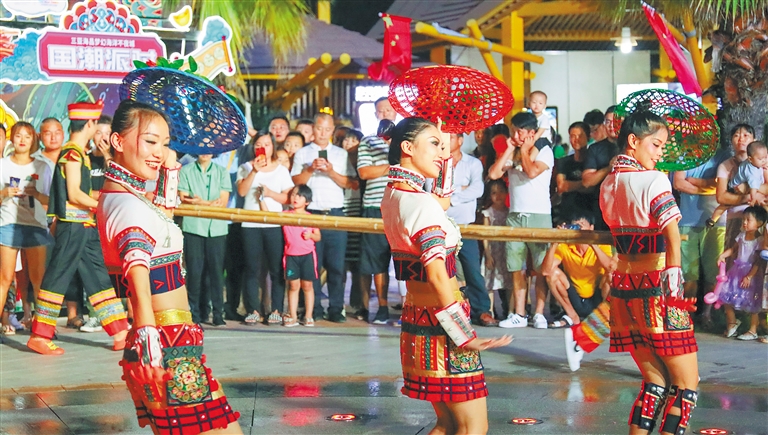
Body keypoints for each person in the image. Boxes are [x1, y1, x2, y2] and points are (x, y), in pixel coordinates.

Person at [98, 98, 241, 434]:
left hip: (169, 341)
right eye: (150, 141)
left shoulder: (122, 196)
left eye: (163, 143)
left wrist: (170, 168)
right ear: (117, 142)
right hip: (166, 345)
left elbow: (163, 216)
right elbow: (137, 275)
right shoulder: (126, 205)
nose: (159, 152)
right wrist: (150, 348)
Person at [380, 116, 512, 435]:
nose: (443, 152)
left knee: (447, 424)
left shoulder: (393, 194)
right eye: (435, 144)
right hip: (444, 326)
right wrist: (464, 334)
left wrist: (444, 163)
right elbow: (439, 277)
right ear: (407, 147)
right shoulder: (418, 204)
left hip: (418, 319)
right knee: (472, 428)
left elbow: (438, 204)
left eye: (445, 144)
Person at [601, 110, 698, 434]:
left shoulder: (608, 184)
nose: (659, 153)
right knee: (686, 386)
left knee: (654, 381)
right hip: (658, 286)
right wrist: (674, 276)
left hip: (624, 292)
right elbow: (671, 233)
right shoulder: (653, 180)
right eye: (656, 145)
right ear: (633, 141)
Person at [27, 101, 129, 355]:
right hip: (73, 225)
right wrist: (101, 205)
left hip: (84, 225)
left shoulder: (78, 152)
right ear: (91, 123)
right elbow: (74, 194)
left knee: (98, 277)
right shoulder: (71, 153)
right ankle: (40, 335)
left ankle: (120, 332)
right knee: (58, 277)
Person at [488, 112, 554, 329]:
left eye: (520, 131)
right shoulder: (513, 152)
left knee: (540, 268)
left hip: (539, 215)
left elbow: (532, 171)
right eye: (513, 130)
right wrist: (509, 148)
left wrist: (525, 151)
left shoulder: (544, 150)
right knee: (516, 267)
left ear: (531, 133)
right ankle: (519, 313)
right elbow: (495, 173)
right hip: (515, 216)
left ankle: (539, 313)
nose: (516, 134)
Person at [290, 113, 354, 323]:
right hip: (311, 214)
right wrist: (310, 169)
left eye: (327, 130)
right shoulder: (302, 153)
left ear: (333, 131)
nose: (323, 133)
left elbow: (349, 183)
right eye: (319, 129)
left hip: (335, 214)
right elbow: (295, 182)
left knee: (336, 266)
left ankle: (336, 308)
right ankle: (314, 307)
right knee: (313, 266)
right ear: (313, 128)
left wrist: (331, 171)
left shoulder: (340, 154)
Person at [671, 143, 732, 330]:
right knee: (688, 273)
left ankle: (708, 315)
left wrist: (695, 182)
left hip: (715, 222)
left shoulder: (723, 156)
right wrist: (707, 188)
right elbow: (678, 183)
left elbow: (721, 184)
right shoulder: (685, 155)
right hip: (687, 221)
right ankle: (687, 314)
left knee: (713, 272)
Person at [0, 122, 52, 336]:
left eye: (27, 136)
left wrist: (36, 194)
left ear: (33, 140)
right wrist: (4, 193)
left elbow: (51, 200)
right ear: (12, 139)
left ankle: (43, 328)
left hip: (35, 224)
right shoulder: (2, 165)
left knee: (38, 278)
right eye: (18, 135)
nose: (22, 139)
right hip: (8, 223)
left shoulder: (43, 166)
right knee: (4, 277)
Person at [236, 132, 293, 325]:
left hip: (274, 224)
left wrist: (269, 193)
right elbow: (242, 191)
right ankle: (253, 309)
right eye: (259, 144)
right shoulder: (245, 167)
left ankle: (276, 308)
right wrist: (253, 171)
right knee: (251, 268)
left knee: (276, 268)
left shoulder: (281, 170)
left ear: (273, 147)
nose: (263, 148)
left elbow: (287, 198)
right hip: (250, 224)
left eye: (267, 144)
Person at [443, 132, 497, 326]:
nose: (444, 141)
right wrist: (462, 189)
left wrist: (452, 196)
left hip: (466, 226)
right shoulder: (436, 162)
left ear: (459, 140)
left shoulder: (473, 163)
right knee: (443, 270)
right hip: (442, 224)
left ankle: (482, 309)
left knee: (472, 270)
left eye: (448, 137)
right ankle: (448, 310)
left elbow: (478, 189)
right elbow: (432, 188)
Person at [178, 153, 231, 325]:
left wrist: (199, 202)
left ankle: (217, 313)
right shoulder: (186, 170)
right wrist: (208, 203)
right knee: (194, 272)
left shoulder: (222, 171)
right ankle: (194, 313)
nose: (205, 152)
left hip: (217, 228)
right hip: (194, 227)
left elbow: (222, 202)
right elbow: (183, 198)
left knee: (216, 273)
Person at [356, 97, 396, 323]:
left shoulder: (406, 141)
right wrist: (392, 166)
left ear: (396, 113)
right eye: (380, 111)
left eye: (388, 110)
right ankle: (381, 307)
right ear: (375, 115)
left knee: (405, 260)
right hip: (374, 205)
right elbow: (364, 173)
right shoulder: (368, 141)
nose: (384, 114)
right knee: (375, 260)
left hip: (402, 206)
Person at [541, 211, 613, 328]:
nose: (578, 229)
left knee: (610, 276)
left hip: (597, 297)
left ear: (591, 228)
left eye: (581, 225)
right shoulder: (565, 246)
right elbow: (546, 271)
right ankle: (572, 315)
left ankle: (606, 315)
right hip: (574, 298)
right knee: (553, 275)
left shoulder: (602, 244)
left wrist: (591, 243)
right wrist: (555, 243)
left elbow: (610, 267)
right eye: (575, 226)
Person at [716, 206, 767, 340]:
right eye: (743, 219)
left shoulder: (760, 241)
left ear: (759, 223)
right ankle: (732, 322)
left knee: (751, 301)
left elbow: (758, 261)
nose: (744, 222)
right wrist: (723, 256)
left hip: (751, 274)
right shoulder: (741, 236)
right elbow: (733, 249)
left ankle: (753, 329)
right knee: (725, 294)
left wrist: (749, 276)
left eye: (748, 220)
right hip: (736, 271)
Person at [282, 185, 321, 327]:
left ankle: (308, 315)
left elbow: (318, 236)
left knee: (308, 285)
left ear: (307, 202)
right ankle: (292, 315)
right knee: (293, 286)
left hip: (308, 255)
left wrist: (310, 235)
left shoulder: (310, 218)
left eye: (299, 196)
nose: (295, 198)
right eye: (293, 195)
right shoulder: (285, 215)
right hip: (291, 255)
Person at [715, 124, 759, 249]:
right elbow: (721, 197)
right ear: (731, 141)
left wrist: (746, 188)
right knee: (732, 258)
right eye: (736, 136)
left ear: (754, 140)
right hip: (735, 219)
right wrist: (746, 198)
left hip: (758, 217)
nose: (741, 139)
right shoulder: (725, 166)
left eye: (746, 135)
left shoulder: (762, 162)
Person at [708, 141, 768, 226]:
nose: (764, 161)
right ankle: (713, 219)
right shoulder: (752, 172)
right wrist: (753, 199)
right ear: (750, 158)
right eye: (760, 159)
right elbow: (753, 189)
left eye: (765, 157)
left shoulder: (754, 162)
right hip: (734, 189)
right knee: (724, 206)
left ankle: (712, 219)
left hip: (740, 188)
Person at [582, 107, 619, 230]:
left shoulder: (633, 146)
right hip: (602, 210)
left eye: (616, 121)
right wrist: (608, 168)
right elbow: (587, 181)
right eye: (607, 122)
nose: (611, 125)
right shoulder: (595, 149)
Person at [480, 179, 511, 319]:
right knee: (490, 282)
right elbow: (485, 235)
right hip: (493, 251)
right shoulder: (488, 213)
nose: (498, 195)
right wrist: (487, 254)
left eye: (501, 192)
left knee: (508, 281)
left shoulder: (510, 212)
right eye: (494, 193)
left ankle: (510, 310)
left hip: (506, 251)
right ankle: (491, 310)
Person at [554, 122, 592, 225]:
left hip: (590, 214)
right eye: (572, 136)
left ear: (588, 137)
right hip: (567, 214)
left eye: (580, 136)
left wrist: (570, 185)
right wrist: (585, 183)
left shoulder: (593, 162)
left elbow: (593, 188)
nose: (576, 139)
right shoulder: (564, 162)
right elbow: (561, 186)